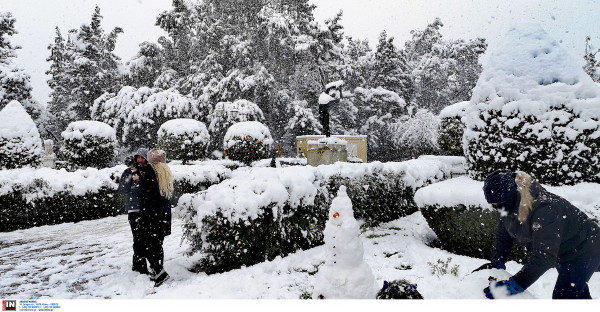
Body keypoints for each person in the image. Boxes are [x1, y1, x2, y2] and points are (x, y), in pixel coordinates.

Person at [478, 169, 600, 299]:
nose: (497, 208)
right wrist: (498, 260)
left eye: (499, 204)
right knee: (577, 296)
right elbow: (504, 235)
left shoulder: (544, 209)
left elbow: (544, 255)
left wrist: (519, 282)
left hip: (585, 248)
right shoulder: (506, 205)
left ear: (512, 195)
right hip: (562, 250)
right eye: (493, 205)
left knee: (564, 296)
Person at [139, 148, 174, 287]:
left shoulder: (149, 171)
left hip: (151, 215)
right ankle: (156, 270)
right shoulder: (166, 172)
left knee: (147, 244)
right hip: (163, 215)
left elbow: (146, 195)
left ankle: (159, 272)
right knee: (157, 244)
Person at [118, 148, 150, 275]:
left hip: (146, 209)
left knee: (143, 238)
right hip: (134, 209)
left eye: (142, 158)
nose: (140, 160)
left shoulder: (148, 171)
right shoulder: (129, 171)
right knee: (138, 238)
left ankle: (138, 264)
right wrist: (134, 182)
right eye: (138, 158)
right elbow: (123, 189)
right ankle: (140, 266)